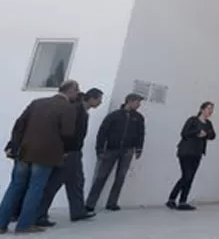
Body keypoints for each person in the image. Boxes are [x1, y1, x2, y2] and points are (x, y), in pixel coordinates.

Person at [0, 80, 80, 233]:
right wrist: (65, 151)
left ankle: (1, 224)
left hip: (24, 151)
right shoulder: (68, 109)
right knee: (35, 188)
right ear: (71, 90)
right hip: (46, 154)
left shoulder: (37, 102)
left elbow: (19, 124)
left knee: (15, 186)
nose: (77, 94)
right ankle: (24, 225)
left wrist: (14, 144)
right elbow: (67, 133)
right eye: (77, 91)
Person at [35, 87, 103, 227]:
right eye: (99, 99)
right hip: (69, 152)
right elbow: (68, 132)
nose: (100, 102)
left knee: (77, 181)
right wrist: (65, 150)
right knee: (55, 183)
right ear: (91, 98)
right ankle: (39, 214)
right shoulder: (75, 110)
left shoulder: (81, 111)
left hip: (75, 152)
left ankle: (78, 211)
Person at [86, 93, 146, 212]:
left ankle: (112, 202)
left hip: (128, 150)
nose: (139, 105)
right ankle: (90, 203)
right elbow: (102, 132)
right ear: (129, 101)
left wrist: (139, 148)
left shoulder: (139, 118)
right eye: (137, 102)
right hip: (111, 150)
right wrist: (99, 149)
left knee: (120, 177)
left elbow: (141, 134)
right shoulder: (114, 115)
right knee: (101, 176)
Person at [167, 101, 216, 211]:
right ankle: (172, 199)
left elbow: (213, 135)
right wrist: (197, 132)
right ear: (202, 109)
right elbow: (184, 133)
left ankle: (182, 201)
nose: (210, 111)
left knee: (190, 177)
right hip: (186, 152)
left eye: (212, 109)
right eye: (208, 108)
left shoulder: (208, 124)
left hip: (197, 153)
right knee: (187, 176)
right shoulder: (192, 120)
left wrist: (206, 134)